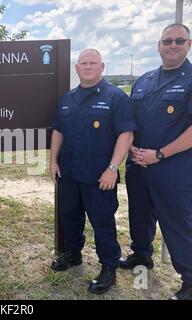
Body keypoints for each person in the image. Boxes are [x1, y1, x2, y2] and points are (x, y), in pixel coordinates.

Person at [50, 49, 135, 294]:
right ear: (77, 68)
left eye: (92, 63)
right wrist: (53, 161)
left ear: (102, 67)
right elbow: (58, 130)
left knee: (102, 222)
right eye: (83, 63)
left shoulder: (116, 97)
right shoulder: (68, 98)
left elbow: (126, 134)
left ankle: (108, 268)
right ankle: (73, 254)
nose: (87, 67)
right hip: (70, 174)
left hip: (100, 177)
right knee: (69, 216)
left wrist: (112, 168)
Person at [121, 23, 192, 300]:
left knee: (177, 223)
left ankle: (189, 281)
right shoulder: (144, 80)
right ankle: (141, 256)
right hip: (138, 164)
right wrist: (135, 149)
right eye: (167, 41)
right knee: (139, 215)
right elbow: (130, 121)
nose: (172, 45)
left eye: (178, 41)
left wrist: (159, 154)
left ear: (188, 44)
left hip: (173, 168)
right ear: (158, 45)